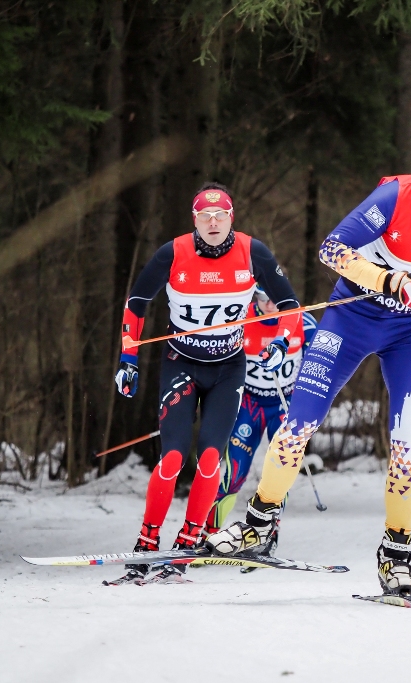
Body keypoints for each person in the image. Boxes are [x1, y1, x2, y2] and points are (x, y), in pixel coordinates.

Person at [204, 139, 411, 596]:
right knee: (297, 428)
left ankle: (396, 552)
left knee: (409, 447)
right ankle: (257, 523)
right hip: (351, 318)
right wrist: (386, 279)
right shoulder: (396, 198)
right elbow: (332, 249)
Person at [107, 183, 303, 585]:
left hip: (229, 368)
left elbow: (290, 305)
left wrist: (283, 342)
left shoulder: (253, 252)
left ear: (232, 217)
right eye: (204, 216)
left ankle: (187, 542)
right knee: (174, 458)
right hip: (181, 363)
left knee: (212, 458)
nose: (213, 223)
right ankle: (146, 543)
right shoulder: (173, 253)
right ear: (194, 219)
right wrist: (128, 359)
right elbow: (136, 304)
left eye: (221, 216)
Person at [204, 289, 317, 534]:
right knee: (234, 473)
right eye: (263, 298)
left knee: (279, 473)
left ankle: (268, 534)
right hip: (250, 405)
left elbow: (318, 363)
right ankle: (209, 533)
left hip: (284, 404)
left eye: (274, 298)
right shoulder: (242, 319)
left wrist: (307, 399)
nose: (269, 304)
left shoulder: (302, 320)